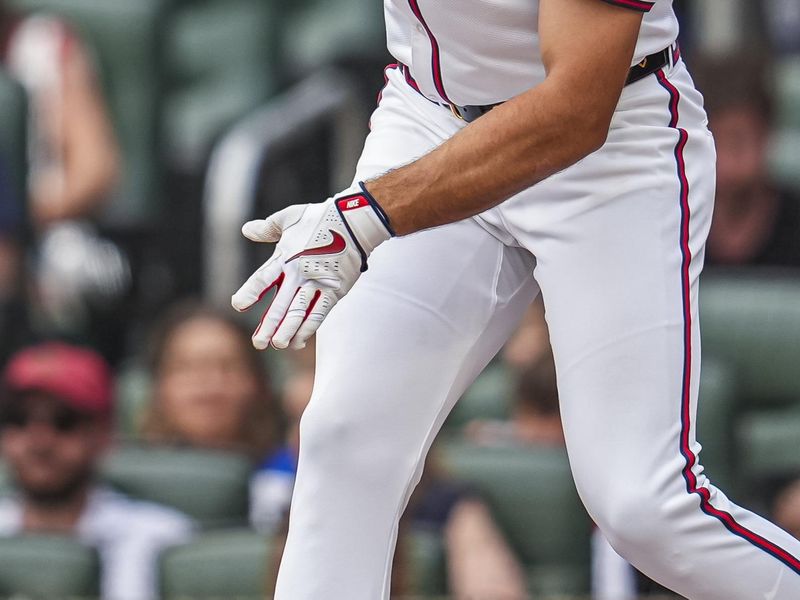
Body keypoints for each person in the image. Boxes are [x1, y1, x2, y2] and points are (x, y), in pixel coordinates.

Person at [232, 0, 800, 597]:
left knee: (643, 505)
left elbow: (574, 110)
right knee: (344, 436)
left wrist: (370, 214)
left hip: (608, 146)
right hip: (431, 118)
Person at [254, 366, 529, 597]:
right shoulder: (296, 504)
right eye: (297, 423)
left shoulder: (446, 500)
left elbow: (495, 593)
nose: (303, 438)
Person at [0, 342, 194, 600]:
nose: (39, 441)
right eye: (18, 419)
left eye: (64, 421)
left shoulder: (160, 539)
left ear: (103, 435)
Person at [691, 53, 800, 269]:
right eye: (713, 141)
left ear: (765, 135)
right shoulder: (676, 224)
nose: (724, 159)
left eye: (737, 142)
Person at [141, 302, 280, 462]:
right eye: (188, 367)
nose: (209, 383)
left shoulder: (296, 477)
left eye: (229, 367)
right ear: (159, 385)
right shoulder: (127, 480)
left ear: (257, 383)